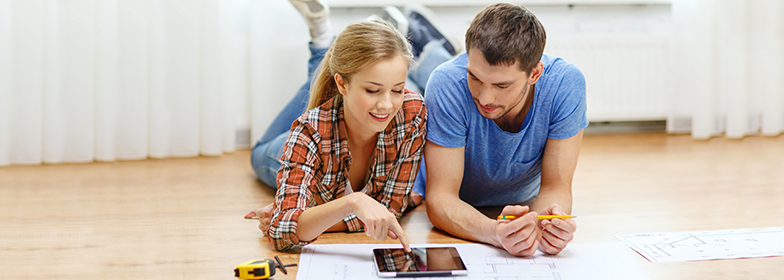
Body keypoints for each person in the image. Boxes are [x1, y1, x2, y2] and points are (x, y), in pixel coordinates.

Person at [248, 0, 451, 252]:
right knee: (259, 155)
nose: (387, 105)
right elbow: (282, 231)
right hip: (292, 144)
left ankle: (336, 45)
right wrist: (352, 202)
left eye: (398, 89)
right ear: (342, 85)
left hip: (349, 115)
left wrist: (310, 216)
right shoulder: (308, 132)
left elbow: (392, 209)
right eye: (372, 90)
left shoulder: (411, 112)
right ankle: (322, 39)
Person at [414, 3, 586, 257]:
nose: (485, 97)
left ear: (535, 74)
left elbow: (556, 186)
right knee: (414, 77)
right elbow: (440, 199)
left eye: (502, 85)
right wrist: (494, 232)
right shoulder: (448, 83)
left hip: (517, 198)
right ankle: (420, 35)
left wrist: (546, 224)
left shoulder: (565, 84)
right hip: (428, 182)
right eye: (475, 77)